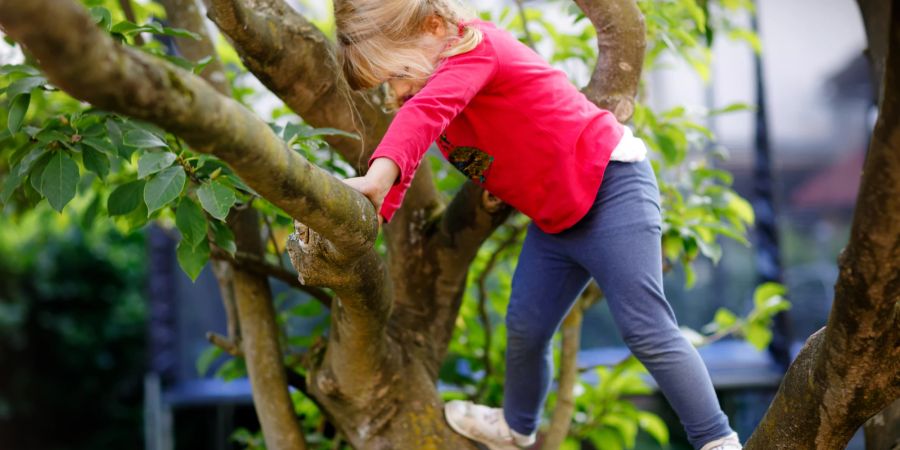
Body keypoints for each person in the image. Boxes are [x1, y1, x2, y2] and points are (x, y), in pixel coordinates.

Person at [335, 1, 742, 449]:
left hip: (611, 187)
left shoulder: (477, 48)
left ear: (433, 26)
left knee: (646, 329)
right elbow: (422, 127)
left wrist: (377, 176)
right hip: (556, 219)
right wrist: (379, 208)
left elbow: (425, 113)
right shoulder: (435, 83)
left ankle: (717, 440)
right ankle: (517, 428)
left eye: (396, 72)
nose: (394, 90)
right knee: (526, 326)